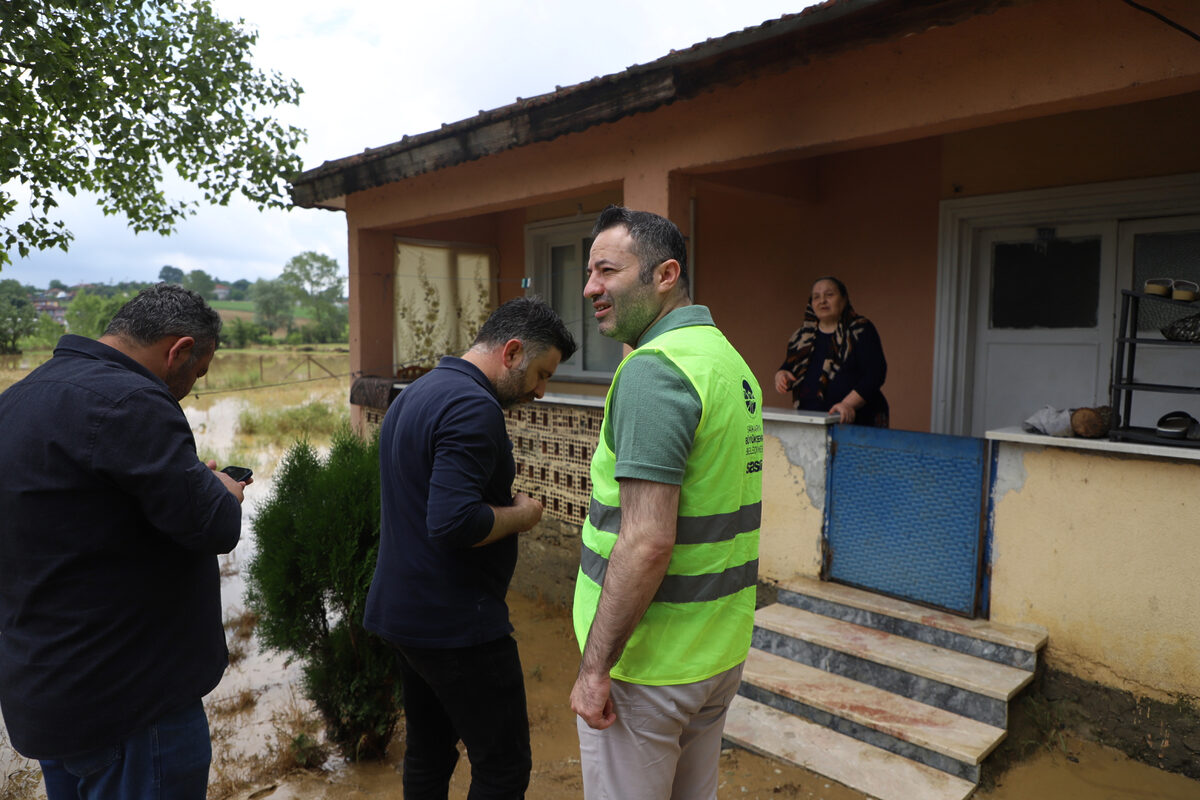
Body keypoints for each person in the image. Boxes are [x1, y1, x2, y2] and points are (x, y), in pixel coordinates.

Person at [0, 284, 251, 800]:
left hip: (51, 689)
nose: (188, 389)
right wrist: (221, 491)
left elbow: (79, 517)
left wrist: (185, 485)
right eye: (195, 374)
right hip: (131, 705)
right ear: (179, 350)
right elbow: (215, 528)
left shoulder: (19, 397)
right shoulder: (132, 400)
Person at [570, 206, 763, 800]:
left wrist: (596, 668)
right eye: (588, 272)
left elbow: (647, 539)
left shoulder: (654, 372)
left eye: (607, 270)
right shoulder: (727, 361)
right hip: (715, 654)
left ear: (665, 274)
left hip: (648, 668)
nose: (589, 288)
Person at [364, 296, 576, 800]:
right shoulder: (473, 408)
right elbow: (453, 520)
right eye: (541, 375)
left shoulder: (419, 392)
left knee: (429, 752)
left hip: (406, 617)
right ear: (513, 352)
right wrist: (522, 516)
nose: (541, 392)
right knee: (503, 767)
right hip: (458, 627)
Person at [773, 276, 889, 426]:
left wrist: (847, 404)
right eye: (816, 297)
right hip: (812, 423)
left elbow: (875, 374)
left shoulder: (860, 330)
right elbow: (788, 367)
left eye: (829, 295)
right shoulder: (802, 337)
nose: (822, 301)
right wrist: (781, 375)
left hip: (857, 423)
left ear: (844, 299)